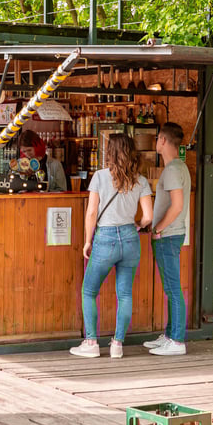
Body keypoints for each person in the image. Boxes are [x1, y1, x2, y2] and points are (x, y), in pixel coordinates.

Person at [69, 134, 153, 359]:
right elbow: (148, 216)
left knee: (89, 291)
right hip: (129, 237)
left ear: (110, 152)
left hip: (105, 237)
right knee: (125, 294)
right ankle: (117, 344)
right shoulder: (141, 180)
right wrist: (137, 225)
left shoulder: (99, 176)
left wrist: (88, 240)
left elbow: (92, 212)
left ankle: (91, 342)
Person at [144, 122, 191, 356]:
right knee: (171, 287)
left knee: (173, 288)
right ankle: (171, 334)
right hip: (172, 233)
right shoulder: (179, 167)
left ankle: (177, 341)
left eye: (156, 138)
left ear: (162, 140)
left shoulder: (172, 170)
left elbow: (177, 205)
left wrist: (158, 228)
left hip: (168, 234)